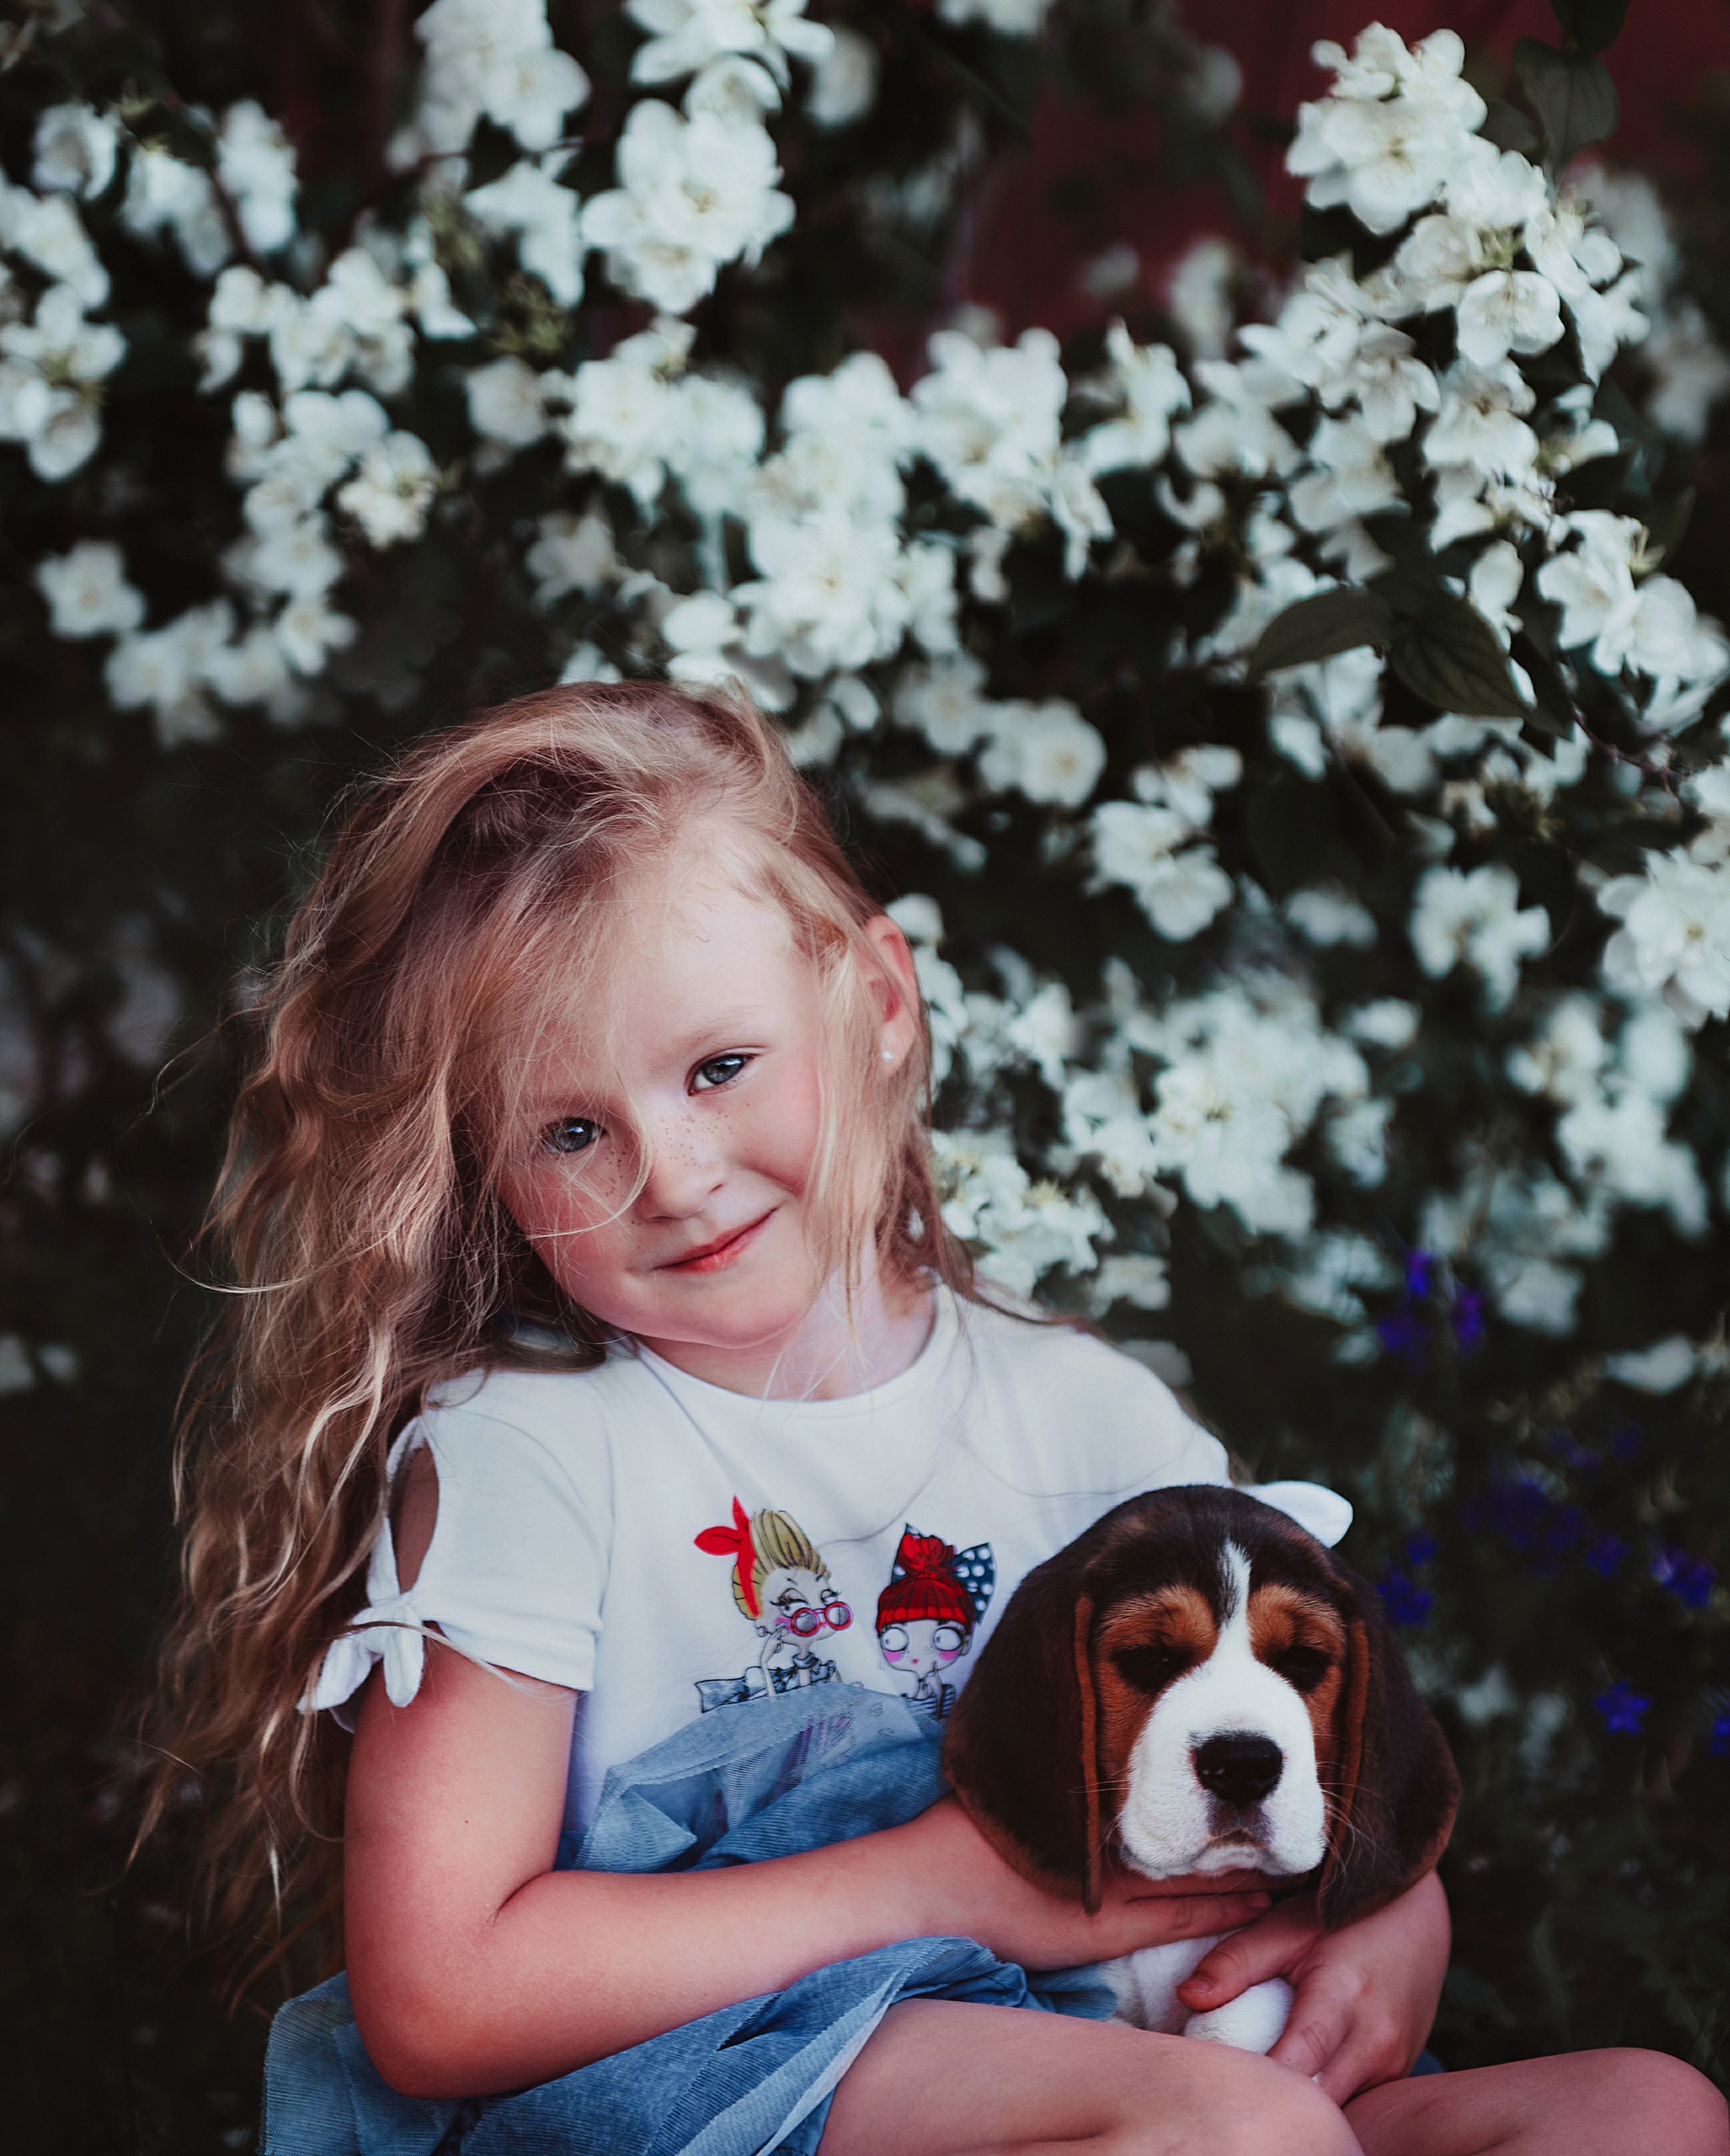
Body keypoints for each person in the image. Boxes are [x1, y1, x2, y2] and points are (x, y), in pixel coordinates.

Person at [150, 683, 1727, 2156]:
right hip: (743, 2082)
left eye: (719, 1067)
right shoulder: (531, 1451)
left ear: (879, 1001)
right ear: (485, 1171)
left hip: (1141, 2060)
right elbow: (441, 2000)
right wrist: (947, 1887)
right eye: (572, 1129)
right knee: (1241, 2137)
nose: (673, 1174)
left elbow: (1299, 1718)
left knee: (1639, 2112)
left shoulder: (1078, 1414)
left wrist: (1395, 1913)